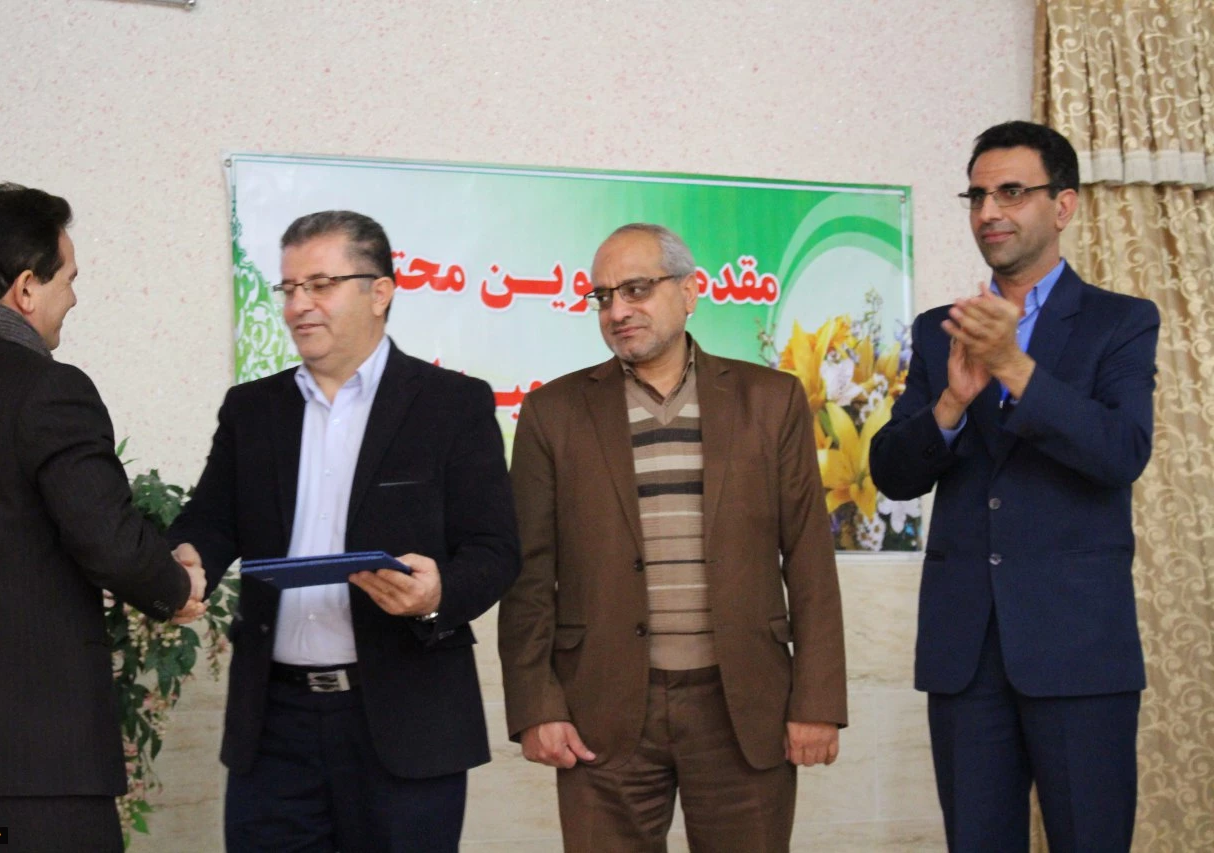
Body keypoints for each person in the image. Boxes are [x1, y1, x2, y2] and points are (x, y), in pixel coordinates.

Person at [170, 210, 519, 852]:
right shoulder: (253, 408)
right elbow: (211, 521)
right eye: (289, 288)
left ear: (379, 292)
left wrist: (438, 593)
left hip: (404, 720)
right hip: (274, 726)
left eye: (320, 285)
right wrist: (188, 562)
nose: (299, 305)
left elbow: (495, 549)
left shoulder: (452, 405)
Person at [497, 223, 848, 852]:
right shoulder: (554, 412)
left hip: (743, 705)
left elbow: (809, 560)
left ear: (689, 292)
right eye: (603, 296)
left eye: (636, 289)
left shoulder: (770, 400)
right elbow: (528, 575)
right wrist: (536, 705)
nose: (617, 311)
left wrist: (817, 700)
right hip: (599, 709)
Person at [869, 121, 1160, 852]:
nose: (988, 212)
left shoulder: (1120, 321)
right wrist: (951, 402)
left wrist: (1014, 366)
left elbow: (1121, 451)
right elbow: (893, 475)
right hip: (965, 655)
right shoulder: (939, 330)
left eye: (1010, 192)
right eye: (976, 196)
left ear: (1063, 206)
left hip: (1078, 650)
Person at [0, 183, 205, 852]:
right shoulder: (48, 390)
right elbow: (108, 540)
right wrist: (175, 586)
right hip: (34, 775)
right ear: (27, 288)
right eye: (69, 279)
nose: (74, 299)